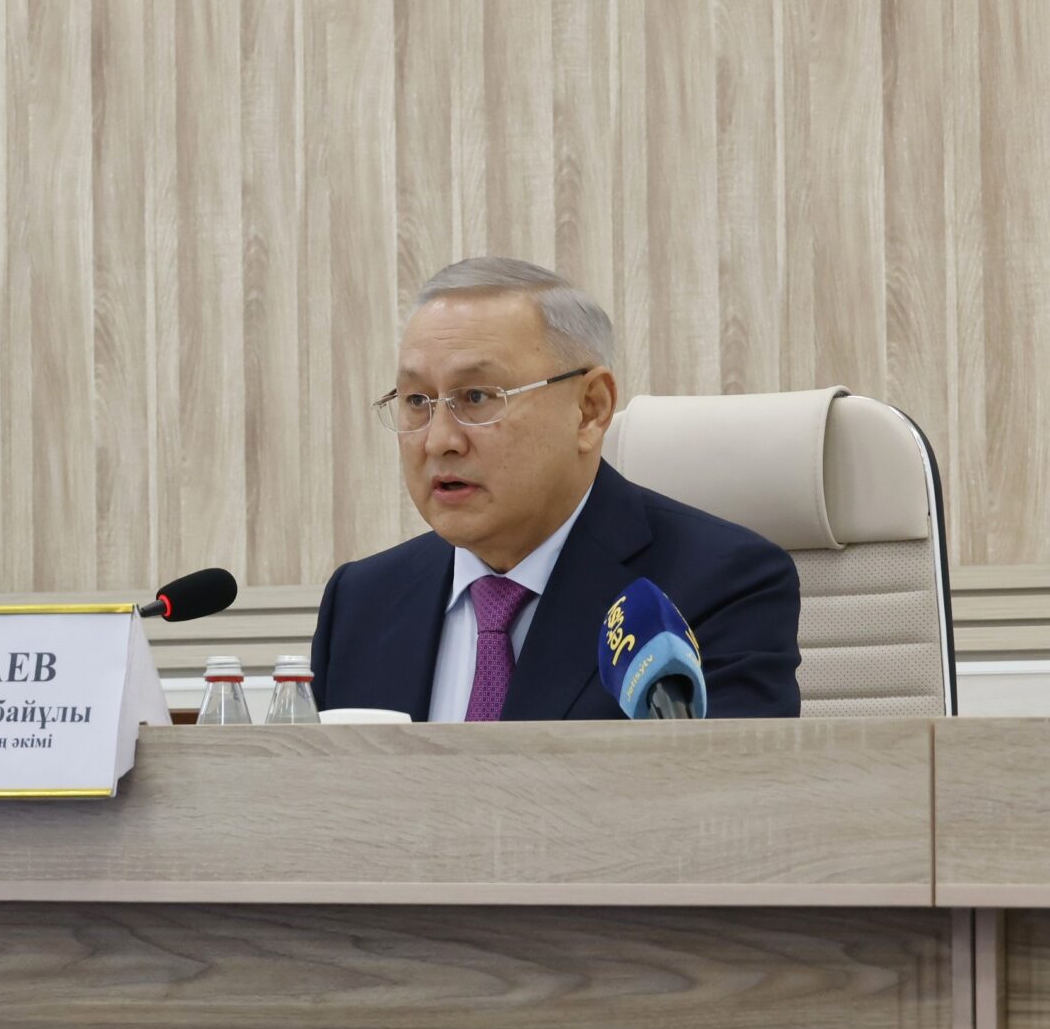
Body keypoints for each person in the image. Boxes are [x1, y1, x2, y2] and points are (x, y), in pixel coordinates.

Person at [310, 258, 801, 721]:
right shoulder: (361, 603)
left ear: (590, 409)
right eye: (417, 400)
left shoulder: (718, 587)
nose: (439, 440)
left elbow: (721, 782)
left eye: (477, 397)